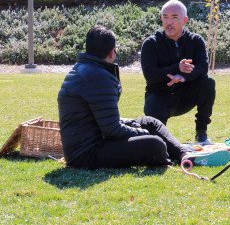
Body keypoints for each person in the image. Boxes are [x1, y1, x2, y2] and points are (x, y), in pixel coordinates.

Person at [58, 26, 192, 169]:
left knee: (150, 122)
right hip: (87, 155)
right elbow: (112, 130)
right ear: (112, 52)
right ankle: (173, 157)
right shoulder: (98, 76)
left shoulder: (85, 68)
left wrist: (133, 125)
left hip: (90, 144)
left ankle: (184, 154)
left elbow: (101, 120)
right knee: (155, 144)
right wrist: (141, 132)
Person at [141, 0, 215, 144]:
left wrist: (183, 77)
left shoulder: (196, 41)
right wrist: (176, 68)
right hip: (159, 96)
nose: (169, 22)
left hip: (186, 95)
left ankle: (201, 133)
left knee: (207, 82)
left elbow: (202, 67)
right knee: (156, 142)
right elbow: (150, 74)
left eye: (174, 17)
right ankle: (160, 141)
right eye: (165, 17)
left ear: (185, 20)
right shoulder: (151, 43)